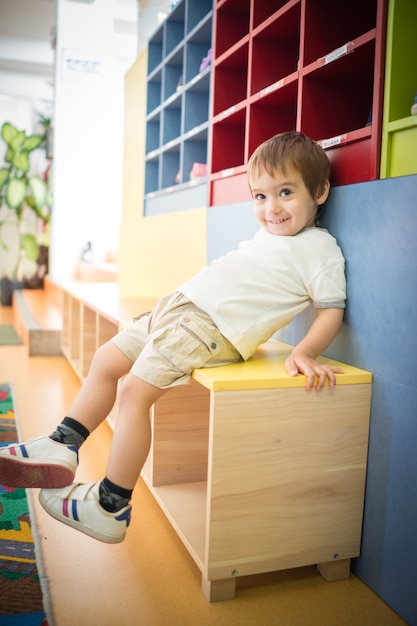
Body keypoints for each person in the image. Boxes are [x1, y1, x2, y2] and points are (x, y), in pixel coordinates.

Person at [0, 131, 346, 544]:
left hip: (209, 328)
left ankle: (110, 505)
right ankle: (63, 444)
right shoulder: (272, 234)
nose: (271, 208)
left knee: (134, 392)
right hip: (178, 308)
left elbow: (331, 309)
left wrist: (305, 351)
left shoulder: (320, 248)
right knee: (106, 360)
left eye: (285, 192)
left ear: (320, 190)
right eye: (260, 196)